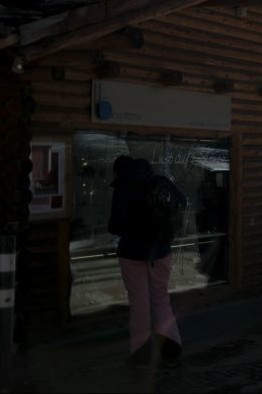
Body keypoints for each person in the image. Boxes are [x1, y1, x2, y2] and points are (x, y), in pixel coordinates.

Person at [108, 156, 183, 367]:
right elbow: (182, 202)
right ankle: (172, 349)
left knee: (139, 302)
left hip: (132, 253)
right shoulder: (160, 181)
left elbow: (115, 224)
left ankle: (141, 354)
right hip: (161, 250)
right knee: (161, 299)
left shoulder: (123, 187)